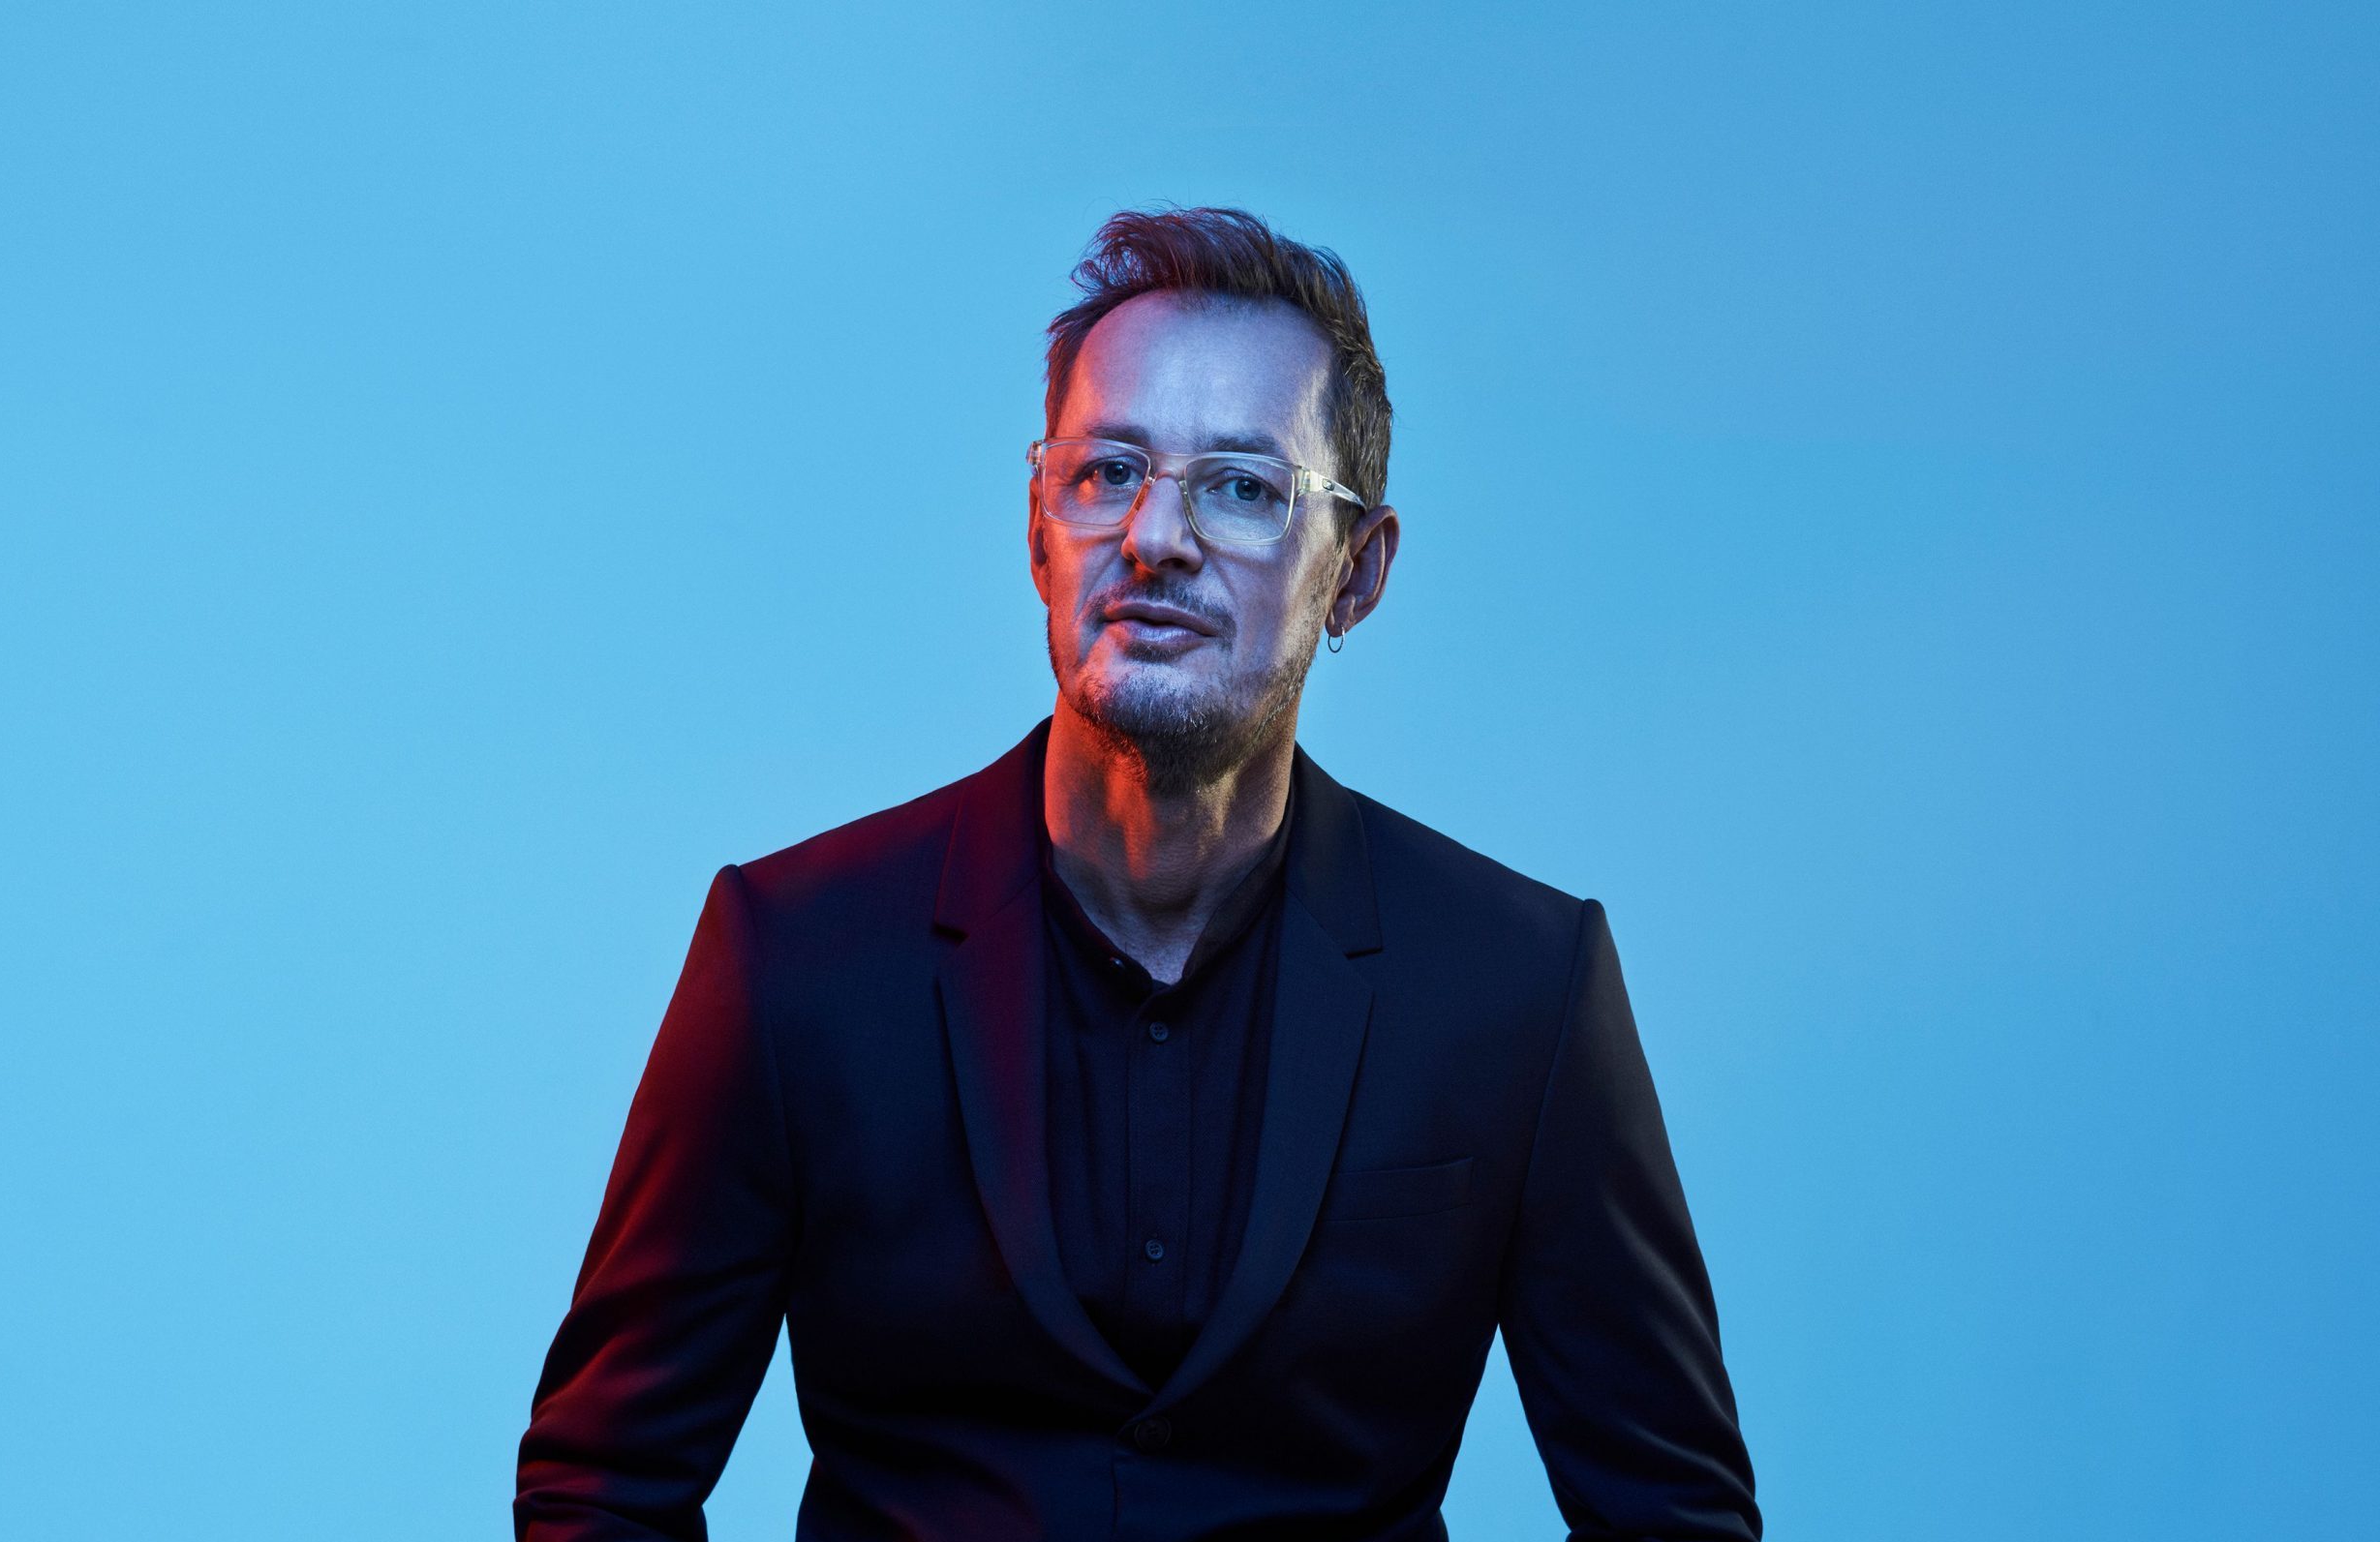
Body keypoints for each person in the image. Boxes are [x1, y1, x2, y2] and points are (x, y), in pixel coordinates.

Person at [515, 206, 1760, 1541]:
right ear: (1039, 531)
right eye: (1109, 471)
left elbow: (1673, 1519)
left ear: (1357, 573)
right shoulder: (794, 954)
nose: (1155, 535)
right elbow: (603, 1488)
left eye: (1243, 487)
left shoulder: (1520, 986)